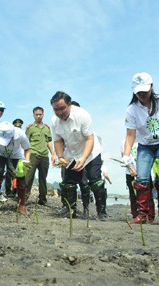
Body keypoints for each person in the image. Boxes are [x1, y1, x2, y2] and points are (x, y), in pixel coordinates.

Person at [122, 72, 159, 225]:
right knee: (142, 179)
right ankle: (142, 215)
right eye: (138, 92)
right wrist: (126, 155)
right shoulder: (132, 109)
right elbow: (130, 134)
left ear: (151, 87)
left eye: (145, 91)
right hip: (145, 146)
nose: (142, 94)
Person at [50, 91, 107, 220]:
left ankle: (101, 212)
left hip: (90, 151)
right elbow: (58, 141)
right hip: (71, 152)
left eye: (62, 108)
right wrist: (60, 157)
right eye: (55, 110)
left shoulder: (82, 115)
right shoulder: (54, 121)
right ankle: (70, 210)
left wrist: (83, 158)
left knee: (95, 182)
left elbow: (89, 139)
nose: (59, 113)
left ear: (69, 105)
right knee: (68, 182)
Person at [25, 107, 55, 206]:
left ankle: (42, 199)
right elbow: (25, 143)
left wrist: (53, 153)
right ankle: (23, 199)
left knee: (43, 178)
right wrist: (26, 158)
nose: (38, 116)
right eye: (36, 114)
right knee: (28, 178)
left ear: (43, 114)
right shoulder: (30, 128)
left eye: (40, 114)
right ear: (33, 115)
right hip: (33, 154)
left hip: (44, 156)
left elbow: (49, 141)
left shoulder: (47, 128)